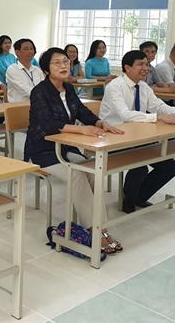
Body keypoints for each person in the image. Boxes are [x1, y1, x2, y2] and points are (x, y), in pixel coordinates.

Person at [24, 47, 124, 254]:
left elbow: (82, 111)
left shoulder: (68, 89)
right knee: (77, 174)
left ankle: (99, 225)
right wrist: (82, 130)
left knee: (93, 171)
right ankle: (96, 230)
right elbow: (48, 123)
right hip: (42, 149)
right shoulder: (39, 92)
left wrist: (99, 123)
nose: (63, 66)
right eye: (57, 63)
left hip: (65, 145)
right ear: (45, 69)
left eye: (65, 62)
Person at [100, 50, 175, 213]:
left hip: (139, 136)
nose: (145, 68)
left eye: (147, 64)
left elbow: (159, 106)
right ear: (127, 67)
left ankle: (138, 196)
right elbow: (125, 115)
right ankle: (128, 201)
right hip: (114, 137)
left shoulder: (143, 87)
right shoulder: (115, 87)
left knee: (170, 167)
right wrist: (158, 117)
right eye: (140, 64)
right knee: (140, 167)